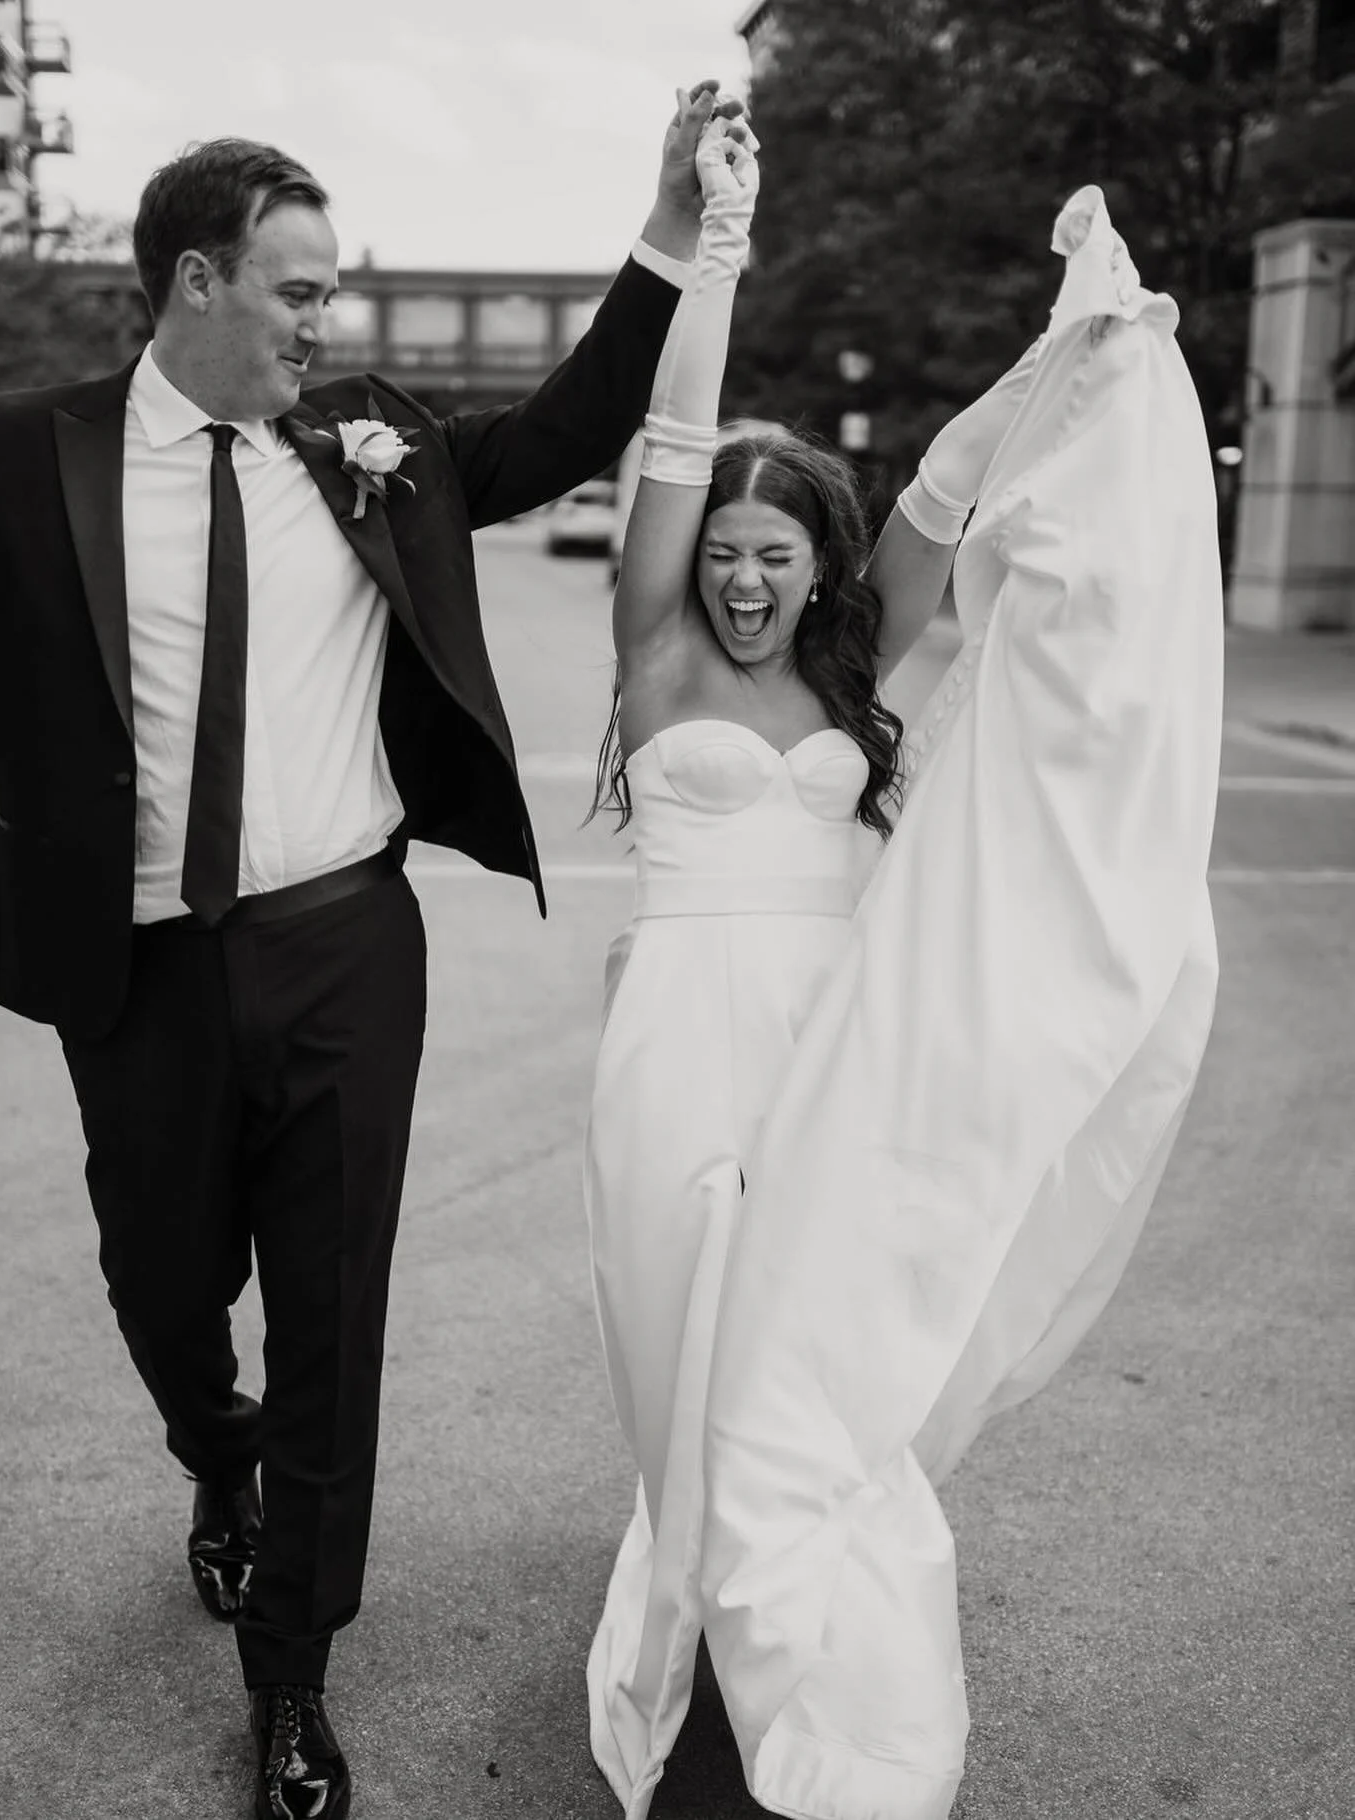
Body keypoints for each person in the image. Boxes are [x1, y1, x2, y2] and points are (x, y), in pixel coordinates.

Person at [0, 81, 747, 1820]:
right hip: (145, 968)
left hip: (346, 946)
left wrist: (665, 223)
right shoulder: (27, 456)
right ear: (197, 284)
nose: (328, 321)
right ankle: (216, 1456)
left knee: (334, 1310)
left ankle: (294, 1675)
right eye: (301, 291)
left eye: (329, 293)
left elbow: (569, 425)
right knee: (161, 1284)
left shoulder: (367, 445)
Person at [582, 131, 1223, 1820]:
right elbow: (665, 439)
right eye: (722, 549)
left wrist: (1062, 348)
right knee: (681, 1364)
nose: (740, 576)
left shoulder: (861, 665)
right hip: (673, 1049)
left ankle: (788, 1676)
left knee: (805, 1371)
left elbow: (944, 489)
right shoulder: (652, 656)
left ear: (818, 564)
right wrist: (717, 244)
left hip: (836, 1057)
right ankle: (699, 1620)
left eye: (774, 553)